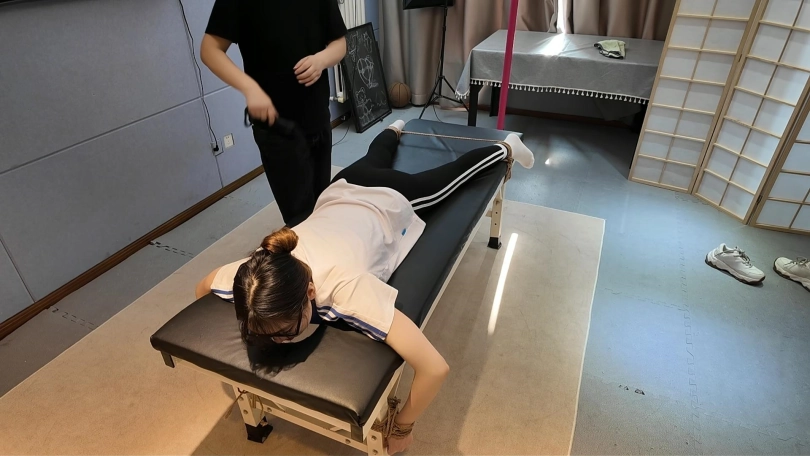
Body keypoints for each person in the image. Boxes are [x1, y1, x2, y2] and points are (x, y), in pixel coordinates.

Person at [195, 120, 535, 454]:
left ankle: (505, 147)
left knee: (452, 178)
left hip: (389, 197)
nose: (277, 341)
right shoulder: (256, 273)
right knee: (375, 157)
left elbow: (434, 368)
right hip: (340, 188)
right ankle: (394, 129)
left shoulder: (346, 288)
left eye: (285, 332)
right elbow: (204, 286)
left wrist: (402, 427)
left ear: (310, 294)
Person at [201, 0, 348, 227]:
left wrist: (321, 60)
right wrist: (250, 88)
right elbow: (210, 50)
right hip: (277, 127)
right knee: (300, 218)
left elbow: (339, 43)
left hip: (318, 116)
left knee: (322, 202)